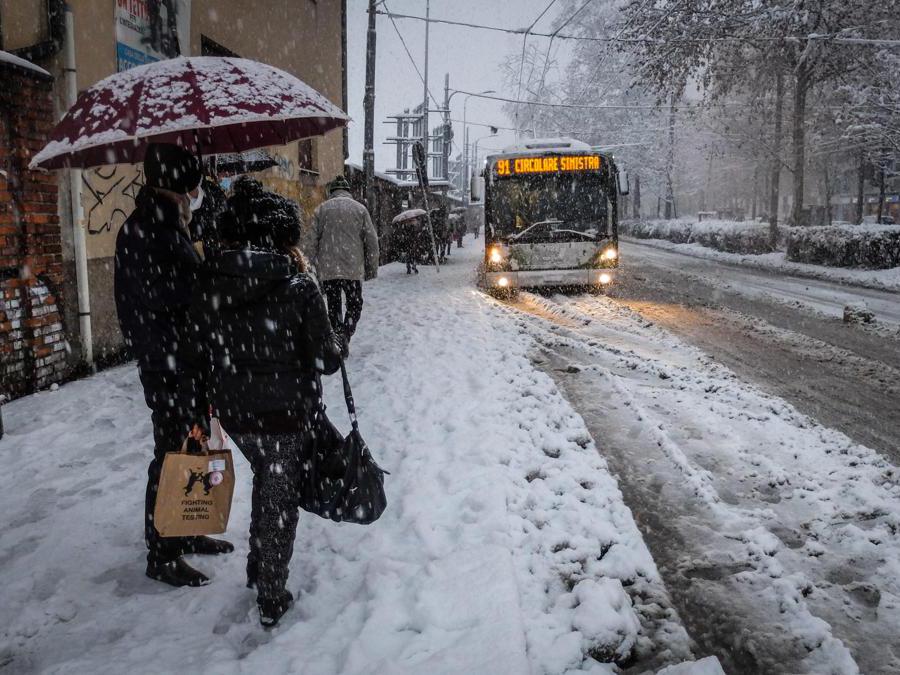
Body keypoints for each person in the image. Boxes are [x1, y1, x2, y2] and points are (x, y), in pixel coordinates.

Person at [182, 177, 343, 627]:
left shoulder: (211, 281)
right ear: (282, 235)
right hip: (286, 413)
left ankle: (258, 566)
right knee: (279, 495)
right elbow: (327, 361)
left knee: (267, 478)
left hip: (235, 412)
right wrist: (334, 341)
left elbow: (195, 348)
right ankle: (271, 594)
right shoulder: (299, 286)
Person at [114, 143, 233, 589]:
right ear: (177, 187)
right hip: (169, 363)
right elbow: (170, 297)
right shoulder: (149, 232)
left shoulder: (162, 226)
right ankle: (162, 553)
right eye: (192, 188)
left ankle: (188, 527)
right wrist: (205, 281)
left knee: (192, 444)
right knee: (171, 454)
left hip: (181, 361)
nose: (195, 195)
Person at [304, 176, 379, 349]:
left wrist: (306, 264)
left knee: (333, 306)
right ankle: (346, 332)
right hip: (353, 268)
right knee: (355, 304)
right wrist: (371, 268)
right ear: (348, 191)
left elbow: (310, 241)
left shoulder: (321, 209)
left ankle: (338, 336)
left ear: (331, 191)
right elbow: (372, 241)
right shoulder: (360, 209)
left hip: (329, 269)